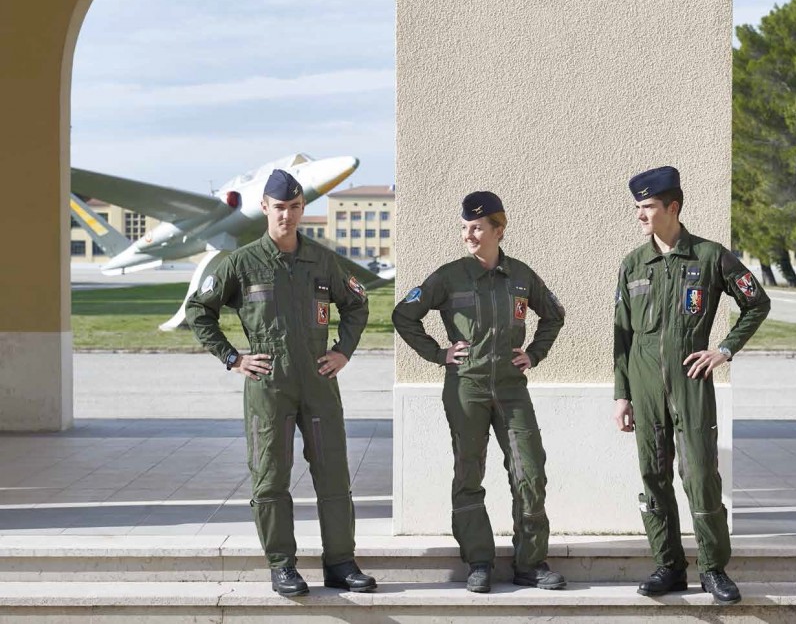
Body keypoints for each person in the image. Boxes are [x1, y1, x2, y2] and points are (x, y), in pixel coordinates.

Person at [186, 169, 376, 598]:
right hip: (269, 383)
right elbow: (200, 310)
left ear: (302, 209)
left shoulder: (323, 261)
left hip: (319, 381)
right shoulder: (241, 263)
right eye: (279, 208)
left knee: (333, 474)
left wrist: (343, 350)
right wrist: (233, 358)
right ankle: (282, 565)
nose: (286, 216)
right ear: (265, 209)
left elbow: (357, 304)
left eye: (294, 207)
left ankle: (341, 563)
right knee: (271, 477)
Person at [392, 191, 566, 594]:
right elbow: (404, 315)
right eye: (465, 228)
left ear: (498, 230)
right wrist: (439, 353)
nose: (469, 235)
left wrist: (534, 354)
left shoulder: (521, 275)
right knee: (469, 473)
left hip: (510, 389)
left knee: (530, 471)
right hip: (465, 387)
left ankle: (530, 562)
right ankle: (479, 561)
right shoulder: (449, 276)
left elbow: (554, 315)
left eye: (477, 228)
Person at [613, 166, 770, 605]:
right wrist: (621, 395)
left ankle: (713, 569)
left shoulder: (709, 256)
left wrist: (724, 349)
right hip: (644, 388)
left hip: (690, 383)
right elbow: (621, 337)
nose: (639, 215)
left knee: (700, 474)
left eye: (647, 207)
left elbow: (756, 303)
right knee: (653, 476)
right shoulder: (633, 265)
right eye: (637, 207)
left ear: (672, 207)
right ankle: (669, 565)